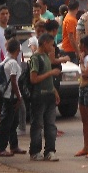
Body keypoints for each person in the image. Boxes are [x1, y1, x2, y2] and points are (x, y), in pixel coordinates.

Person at [29, 33, 61, 161]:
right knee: (37, 124)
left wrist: (54, 91)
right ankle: (35, 151)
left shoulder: (46, 57)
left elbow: (48, 81)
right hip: (39, 96)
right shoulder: (36, 58)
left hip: (49, 95)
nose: (52, 47)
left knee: (50, 125)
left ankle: (50, 150)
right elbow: (34, 79)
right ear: (44, 43)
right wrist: (50, 73)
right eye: (51, 44)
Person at [0, 39, 26, 157]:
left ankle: (14, 145)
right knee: (7, 123)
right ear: (17, 50)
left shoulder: (4, 62)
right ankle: (1, 148)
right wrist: (19, 97)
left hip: (6, 94)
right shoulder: (12, 63)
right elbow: (14, 81)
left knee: (12, 122)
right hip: (11, 96)